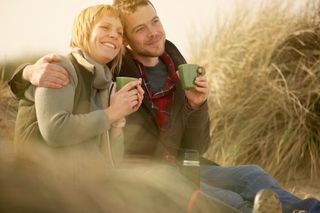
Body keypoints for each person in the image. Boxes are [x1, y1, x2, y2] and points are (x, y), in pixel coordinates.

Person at [8, 1, 320, 213]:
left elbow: (195, 146)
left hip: (181, 163)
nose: (153, 32)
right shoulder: (113, 67)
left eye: (155, 21)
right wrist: (26, 74)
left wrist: (197, 107)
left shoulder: (176, 62)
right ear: (127, 41)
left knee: (251, 175)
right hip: (142, 168)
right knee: (227, 198)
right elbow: (64, 70)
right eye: (140, 29)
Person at [13, 4, 144, 179]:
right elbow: (55, 131)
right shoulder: (60, 66)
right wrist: (111, 113)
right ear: (84, 32)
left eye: (120, 33)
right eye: (105, 27)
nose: (114, 35)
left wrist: (117, 119)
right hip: (39, 185)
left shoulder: (105, 85)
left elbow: (113, 161)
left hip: (82, 187)